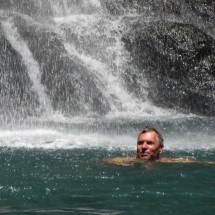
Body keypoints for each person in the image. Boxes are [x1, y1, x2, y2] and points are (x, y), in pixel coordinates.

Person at [104, 126, 215, 166]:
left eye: (150, 143)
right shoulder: (125, 162)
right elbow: (106, 162)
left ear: (161, 149)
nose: (143, 146)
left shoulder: (169, 162)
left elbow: (196, 163)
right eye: (140, 143)